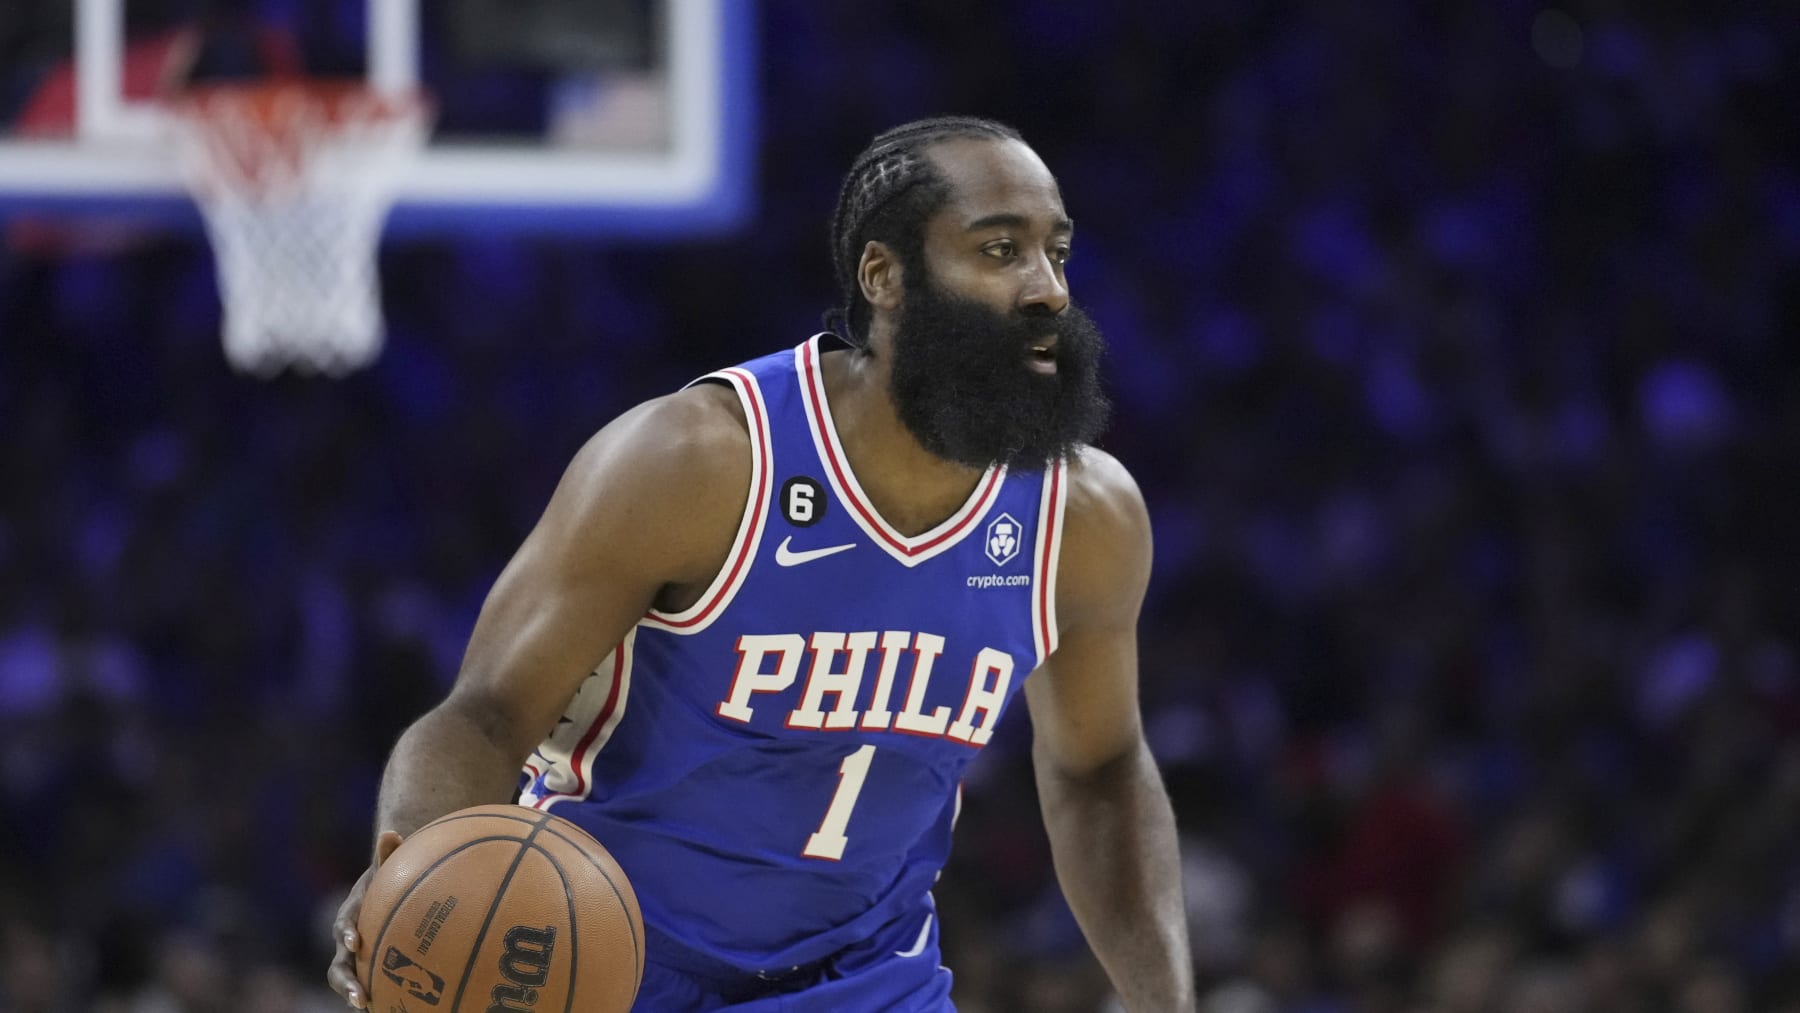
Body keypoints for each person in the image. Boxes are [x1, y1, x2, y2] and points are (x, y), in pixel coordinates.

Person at [327, 115, 1194, 1011]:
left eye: (1057, 252)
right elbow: (485, 715)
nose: (1048, 288)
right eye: (1000, 250)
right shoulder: (698, 461)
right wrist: (418, 873)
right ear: (885, 276)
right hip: (605, 959)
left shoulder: (1080, 516)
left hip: (866, 980)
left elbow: (1100, 770)